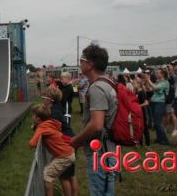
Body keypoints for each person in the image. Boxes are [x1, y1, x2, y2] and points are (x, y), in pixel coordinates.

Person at [70, 44, 117, 196]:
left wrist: (76, 141)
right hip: (110, 148)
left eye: (82, 60)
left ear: (90, 64)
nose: (80, 63)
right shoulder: (109, 83)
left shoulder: (97, 88)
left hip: (99, 152)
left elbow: (97, 125)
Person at [29, 104, 76, 196]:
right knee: (55, 172)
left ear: (38, 119)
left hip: (64, 156)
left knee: (47, 175)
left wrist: (37, 130)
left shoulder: (42, 127)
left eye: (33, 116)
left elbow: (32, 144)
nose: (32, 117)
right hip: (68, 152)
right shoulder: (50, 123)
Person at [41, 86, 79, 196]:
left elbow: (50, 128)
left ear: (49, 99)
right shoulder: (57, 108)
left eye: (44, 97)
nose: (43, 100)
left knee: (64, 176)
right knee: (71, 174)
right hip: (70, 142)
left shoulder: (54, 112)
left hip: (66, 144)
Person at [145, 68, 170, 145]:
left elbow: (155, 88)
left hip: (160, 103)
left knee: (158, 122)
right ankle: (159, 138)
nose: (156, 74)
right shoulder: (157, 81)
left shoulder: (165, 82)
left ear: (162, 74)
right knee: (156, 122)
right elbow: (151, 89)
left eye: (158, 73)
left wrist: (148, 79)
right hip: (154, 102)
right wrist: (147, 82)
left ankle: (164, 140)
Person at [134, 74, 151, 146]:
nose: (133, 84)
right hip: (138, 113)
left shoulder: (141, 92)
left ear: (138, 84)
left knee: (144, 128)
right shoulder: (137, 92)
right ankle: (140, 142)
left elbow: (146, 103)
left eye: (134, 83)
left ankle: (147, 144)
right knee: (139, 127)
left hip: (142, 113)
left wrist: (138, 106)